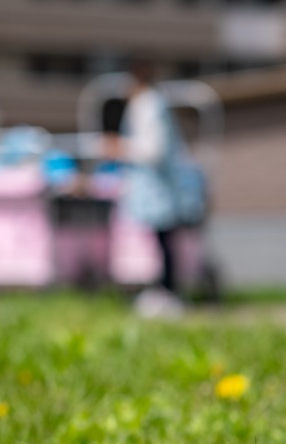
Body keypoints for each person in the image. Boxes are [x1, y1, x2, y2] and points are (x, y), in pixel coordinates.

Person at [104, 61, 185, 317]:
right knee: (160, 240)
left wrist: (121, 147)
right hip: (154, 185)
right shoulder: (150, 104)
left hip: (158, 185)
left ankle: (167, 293)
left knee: (163, 239)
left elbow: (153, 150)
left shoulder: (150, 106)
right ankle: (163, 290)